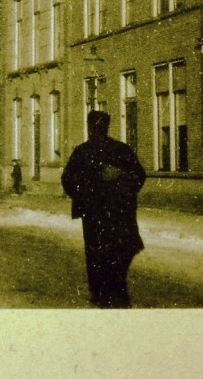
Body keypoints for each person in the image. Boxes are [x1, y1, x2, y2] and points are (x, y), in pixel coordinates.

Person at [62, 110, 146, 308]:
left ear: (90, 127)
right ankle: (114, 289)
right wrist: (123, 181)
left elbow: (67, 180)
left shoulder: (82, 151)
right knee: (118, 249)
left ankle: (99, 291)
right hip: (118, 212)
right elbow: (139, 176)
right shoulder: (121, 150)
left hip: (94, 213)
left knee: (95, 251)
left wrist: (84, 195)